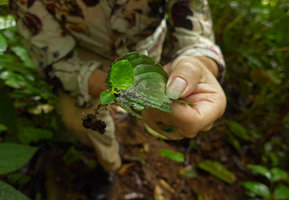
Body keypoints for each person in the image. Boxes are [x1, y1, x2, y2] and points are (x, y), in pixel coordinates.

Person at [11, 0, 226, 173]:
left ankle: (130, 118)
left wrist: (199, 65)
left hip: (142, 49)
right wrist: (126, 94)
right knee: (82, 120)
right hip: (82, 55)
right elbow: (54, 62)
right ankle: (109, 164)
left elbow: (196, 34)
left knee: (152, 106)